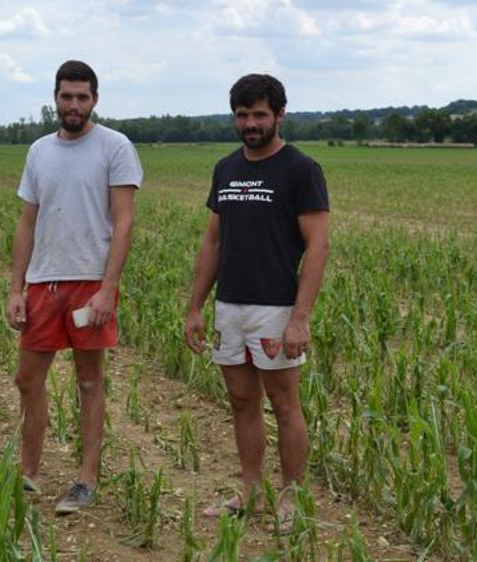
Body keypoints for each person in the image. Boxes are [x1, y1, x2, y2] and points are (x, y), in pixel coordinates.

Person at [183, 73, 330, 530]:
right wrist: (196, 307)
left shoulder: (300, 169)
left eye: (260, 114)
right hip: (230, 306)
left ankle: (291, 498)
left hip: (276, 308)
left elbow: (318, 246)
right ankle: (251, 492)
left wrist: (299, 318)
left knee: (284, 404)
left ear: (280, 115)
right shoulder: (225, 169)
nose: (250, 123)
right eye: (243, 114)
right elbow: (213, 242)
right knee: (241, 401)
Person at [5, 60, 142, 515]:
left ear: (95, 100)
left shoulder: (115, 147)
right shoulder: (39, 151)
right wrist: (15, 288)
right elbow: (27, 224)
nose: (74, 105)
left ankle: (86, 480)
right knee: (27, 379)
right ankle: (28, 472)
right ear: (55, 98)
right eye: (67, 96)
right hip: (43, 282)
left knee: (88, 381)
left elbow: (123, 222)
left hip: (89, 283)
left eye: (83, 97)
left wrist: (108, 289)